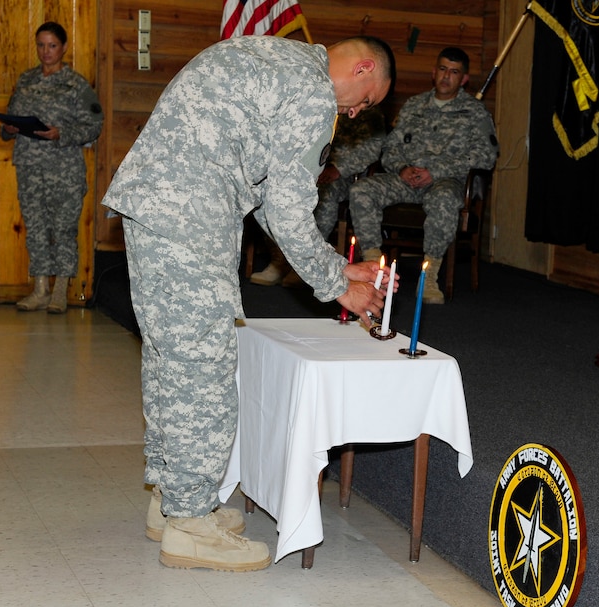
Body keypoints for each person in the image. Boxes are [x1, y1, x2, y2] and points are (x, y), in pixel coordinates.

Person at [101, 35, 397, 572]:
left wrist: (334, 264)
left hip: (158, 207)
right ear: (362, 66)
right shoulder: (311, 93)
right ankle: (189, 525)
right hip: (191, 219)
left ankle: (172, 503)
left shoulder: (274, 56)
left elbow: (261, 192)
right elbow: (286, 205)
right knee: (204, 369)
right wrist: (339, 285)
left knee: (173, 361)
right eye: (365, 100)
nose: (354, 113)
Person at [349, 46, 498, 304]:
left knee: (443, 200)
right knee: (361, 190)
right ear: (433, 72)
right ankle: (374, 266)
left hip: (444, 182)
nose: (446, 76)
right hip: (407, 180)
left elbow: (485, 156)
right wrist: (401, 168)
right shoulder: (414, 105)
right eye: (442, 69)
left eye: (454, 72)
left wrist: (437, 171)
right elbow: (389, 147)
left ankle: (429, 278)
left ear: (463, 79)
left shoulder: (475, 112)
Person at [0, 21, 104, 314]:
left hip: (64, 170)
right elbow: (10, 120)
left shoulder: (78, 85)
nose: (46, 52)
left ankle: (60, 292)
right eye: (41, 45)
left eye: (52, 45)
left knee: (63, 229)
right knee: (35, 228)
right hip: (30, 167)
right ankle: (40, 289)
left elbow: (95, 125)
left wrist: (63, 133)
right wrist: (9, 128)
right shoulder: (25, 80)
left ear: (64, 47)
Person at [250, 108, 387, 287]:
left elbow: (370, 150)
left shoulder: (370, 114)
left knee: (324, 195)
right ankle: (281, 260)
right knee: (277, 192)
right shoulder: (324, 106)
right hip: (313, 169)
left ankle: (308, 263)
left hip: (346, 175)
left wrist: (337, 169)